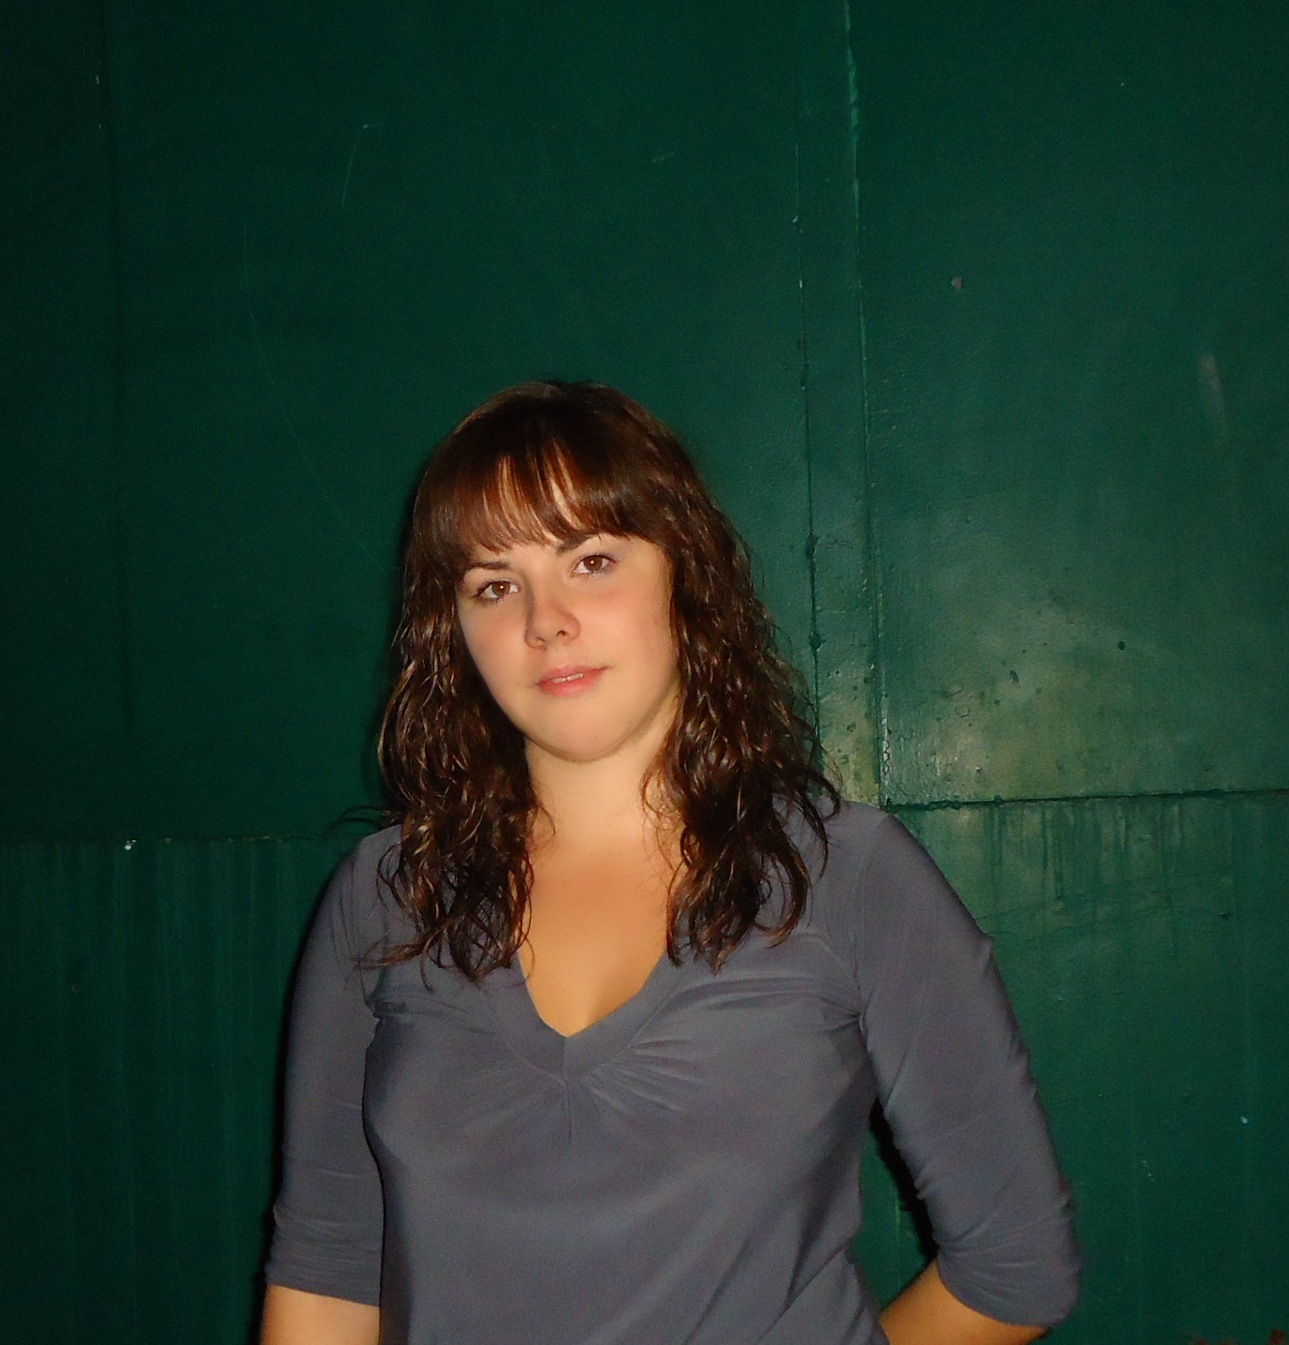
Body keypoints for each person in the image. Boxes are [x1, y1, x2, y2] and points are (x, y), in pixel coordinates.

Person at [260, 381, 1080, 1345]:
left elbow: (1015, 1267)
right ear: (455, 631)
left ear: (684, 575)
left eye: (591, 561)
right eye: (494, 584)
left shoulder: (846, 877)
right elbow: (326, 1272)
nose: (545, 619)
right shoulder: (386, 895)